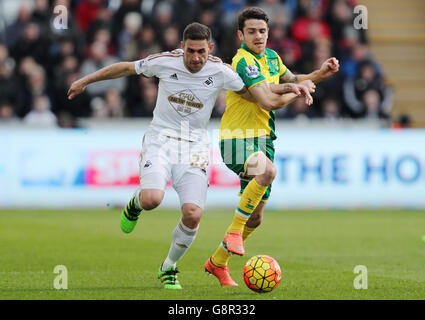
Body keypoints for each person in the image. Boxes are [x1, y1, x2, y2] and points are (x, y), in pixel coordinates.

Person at [68, 22, 311, 290]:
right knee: (152, 199)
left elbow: (258, 92)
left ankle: (169, 266)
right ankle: (135, 204)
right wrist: (84, 81)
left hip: (194, 148)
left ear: (210, 49)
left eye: (201, 52)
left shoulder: (220, 71)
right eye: (191, 51)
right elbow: (126, 67)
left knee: (193, 214)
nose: (196, 58)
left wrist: (291, 88)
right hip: (161, 140)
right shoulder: (164, 62)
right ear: (182, 47)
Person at [204, 7, 340, 287]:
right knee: (268, 172)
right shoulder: (243, 61)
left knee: (255, 219)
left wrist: (319, 74)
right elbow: (267, 100)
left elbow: (292, 80)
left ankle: (217, 263)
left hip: (263, 140)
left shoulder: (272, 58)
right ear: (241, 35)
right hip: (237, 140)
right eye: (252, 31)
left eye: (262, 31)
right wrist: (297, 91)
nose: (258, 36)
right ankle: (232, 234)